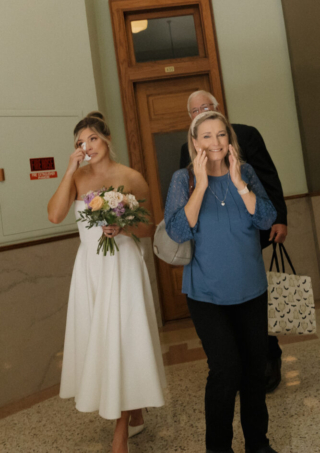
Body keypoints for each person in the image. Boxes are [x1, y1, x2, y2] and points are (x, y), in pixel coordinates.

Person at [48, 112, 166, 453]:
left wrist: (123, 227)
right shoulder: (78, 177)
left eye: (92, 139)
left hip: (123, 265)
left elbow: (149, 227)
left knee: (122, 337)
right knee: (100, 340)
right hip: (90, 268)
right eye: (80, 143)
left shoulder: (130, 177)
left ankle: (120, 429)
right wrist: (70, 169)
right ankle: (135, 408)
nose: (87, 147)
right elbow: (55, 215)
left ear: (107, 139)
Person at [165, 110, 278, 453]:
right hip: (207, 294)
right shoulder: (181, 180)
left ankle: (257, 443)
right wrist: (199, 186)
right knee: (226, 369)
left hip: (251, 289)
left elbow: (267, 218)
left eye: (221, 135)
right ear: (195, 143)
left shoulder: (246, 173)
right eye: (207, 136)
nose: (215, 142)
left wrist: (241, 184)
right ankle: (218, 448)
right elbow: (178, 230)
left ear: (230, 139)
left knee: (254, 371)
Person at [180, 90, 287, 393]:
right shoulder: (185, 153)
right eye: (195, 110)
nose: (214, 141)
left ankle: (267, 357)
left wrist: (281, 217)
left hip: (250, 227)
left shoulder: (246, 136)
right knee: (225, 345)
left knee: (249, 299)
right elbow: (183, 206)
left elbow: (268, 177)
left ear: (218, 110)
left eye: (205, 107)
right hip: (210, 246)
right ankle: (231, 364)